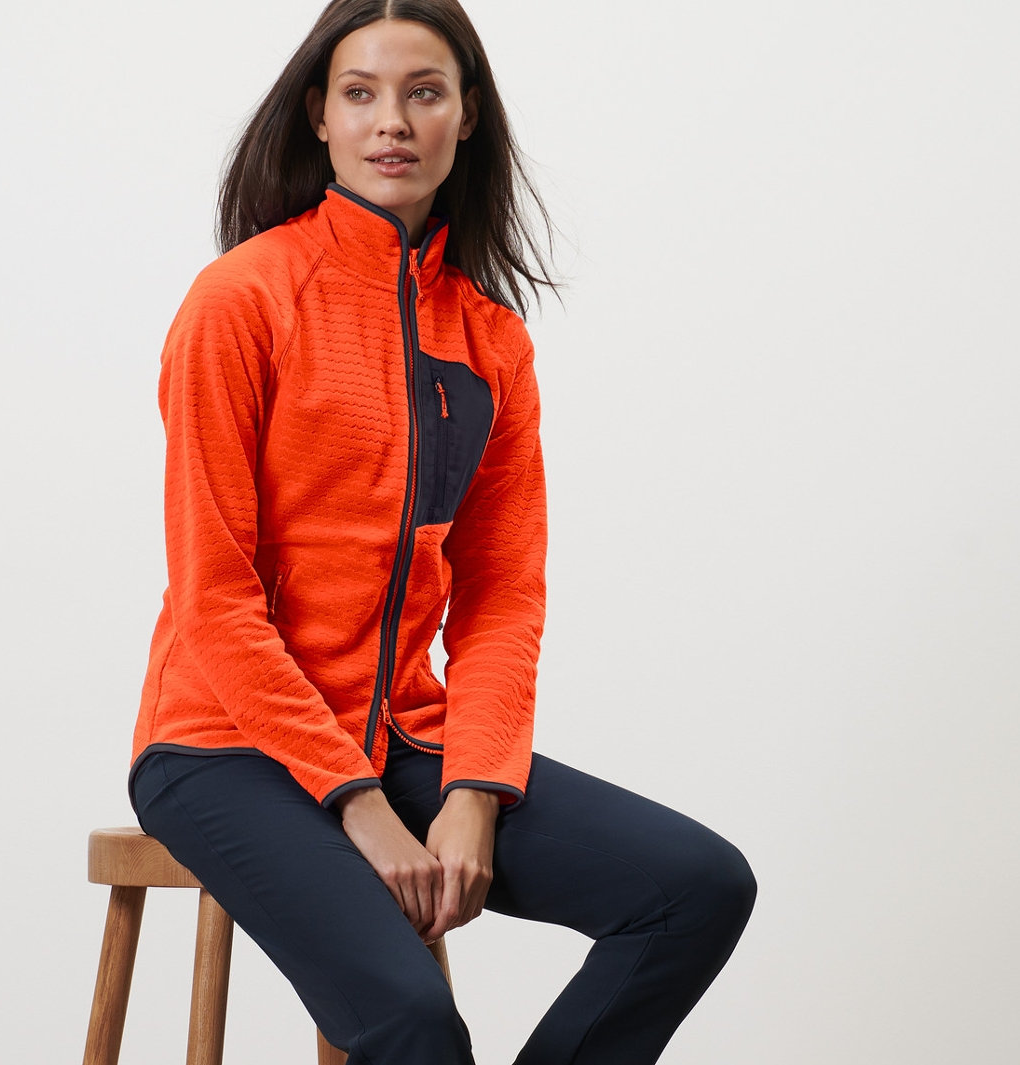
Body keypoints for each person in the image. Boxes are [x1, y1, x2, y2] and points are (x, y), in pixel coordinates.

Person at [128, 1, 756, 1061]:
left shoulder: (489, 341)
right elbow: (215, 598)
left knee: (694, 889)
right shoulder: (240, 302)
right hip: (222, 747)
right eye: (360, 93)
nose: (392, 122)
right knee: (413, 1023)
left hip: (407, 740)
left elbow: (503, 596)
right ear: (316, 120)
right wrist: (360, 810)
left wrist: (473, 790)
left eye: (423, 93)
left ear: (466, 119)